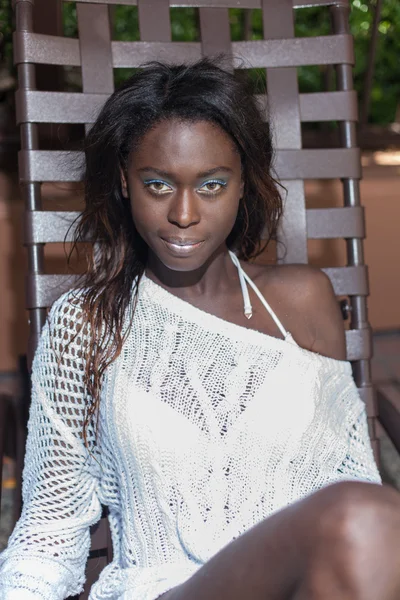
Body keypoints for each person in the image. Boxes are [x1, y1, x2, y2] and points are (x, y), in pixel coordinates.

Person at [1, 58, 399, 600]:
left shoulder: (302, 302)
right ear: (124, 181)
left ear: (242, 186)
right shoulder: (87, 325)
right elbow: (49, 530)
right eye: (158, 184)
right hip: (170, 589)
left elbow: (353, 474)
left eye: (211, 185)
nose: (184, 214)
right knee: (359, 517)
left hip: (314, 583)